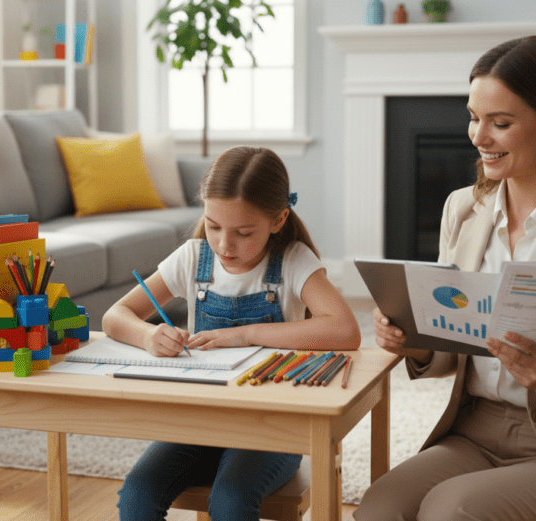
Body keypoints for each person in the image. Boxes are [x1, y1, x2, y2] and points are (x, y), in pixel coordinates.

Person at [355, 36, 536, 521]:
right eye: (474, 117)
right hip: (474, 429)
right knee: (379, 508)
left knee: (449, 512)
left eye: (501, 122)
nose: (478, 136)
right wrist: (413, 340)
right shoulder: (463, 209)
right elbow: (454, 344)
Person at [104, 145, 361, 521]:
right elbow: (116, 315)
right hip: (199, 420)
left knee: (230, 500)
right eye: (213, 226)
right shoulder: (193, 258)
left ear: (278, 220)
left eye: (243, 232)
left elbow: (345, 329)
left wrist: (247, 334)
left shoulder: (291, 260)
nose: (224, 245)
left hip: (272, 427)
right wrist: (148, 336)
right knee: (138, 496)